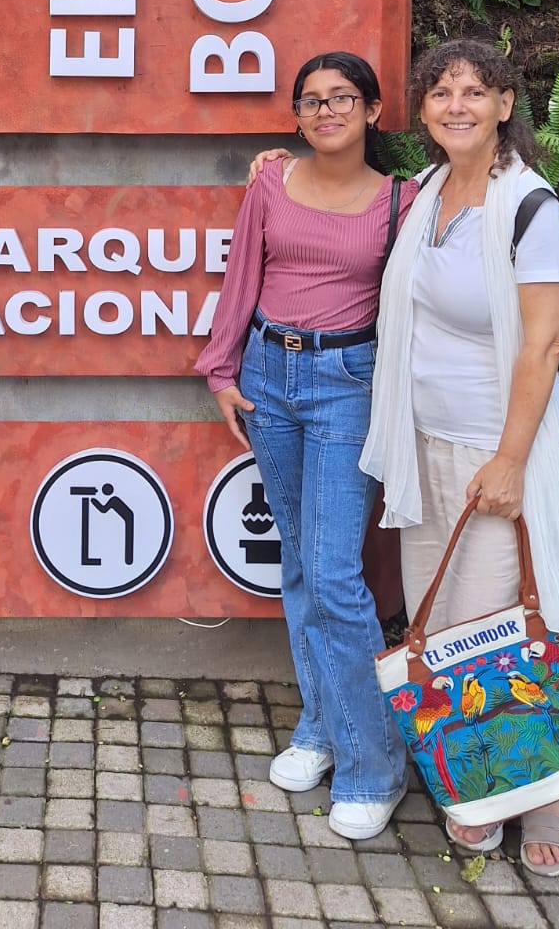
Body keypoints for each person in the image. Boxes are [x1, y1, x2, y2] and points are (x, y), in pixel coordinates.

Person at [361, 38, 559, 876]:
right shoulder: (427, 193)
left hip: (505, 446)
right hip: (425, 442)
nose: (455, 104)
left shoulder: (532, 209)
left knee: (506, 626)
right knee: (447, 621)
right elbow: (351, 198)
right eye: (440, 92)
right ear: (422, 112)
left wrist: (508, 459)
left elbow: (542, 349)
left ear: (505, 106)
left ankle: (546, 794)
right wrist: (277, 166)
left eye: (475, 91)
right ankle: (481, 777)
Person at [196, 52, 414, 841]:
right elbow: (239, 278)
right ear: (295, 116)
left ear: (374, 111)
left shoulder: (404, 201)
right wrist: (221, 368)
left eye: (343, 98)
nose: (327, 111)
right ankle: (322, 727)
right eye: (311, 101)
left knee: (332, 575)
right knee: (297, 563)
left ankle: (373, 765)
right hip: (267, 374)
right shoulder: (269, 183)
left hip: (345, 383)